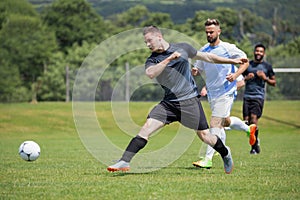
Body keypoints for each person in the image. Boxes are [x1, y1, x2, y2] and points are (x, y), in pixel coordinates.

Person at [107, 25, 247, 174]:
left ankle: (225, 154)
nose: (147, 45)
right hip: (168, 104)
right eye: (145, 42)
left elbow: (207, 57)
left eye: (149, 41)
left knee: (206, 136)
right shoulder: (153, 60)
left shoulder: (183, 48)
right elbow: (150, 73)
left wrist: (232, 62)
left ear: (159, 37)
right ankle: (124, 161)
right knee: (146, 129)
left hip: (189, 102)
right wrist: (168, 59)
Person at [191, 18, 257, 169]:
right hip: (212, 94)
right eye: (207, 32)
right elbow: (199, 67)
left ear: (219, 31)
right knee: (224, 122)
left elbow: (245, 62)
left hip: (226, 92)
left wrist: (235, 76)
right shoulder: (204, 50)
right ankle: (248, 129)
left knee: (215, 124)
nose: (209, 34)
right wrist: (196, 71)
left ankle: (208, 159)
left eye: (212, 32)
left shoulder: (229, 48)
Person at [242, 43, 276, 154]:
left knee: (253, 119)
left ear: (264, 53)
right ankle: (256, 142)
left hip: (258, 97)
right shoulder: (248, 65)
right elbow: (240, 79)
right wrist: (246, 78)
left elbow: (273, 82)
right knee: (247, 122)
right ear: (254, 52)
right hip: (247, 96)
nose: (258, 53)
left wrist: (265, 78)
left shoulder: (267, 67)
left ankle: (253, 148)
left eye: (261, 51)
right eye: (257, 51)